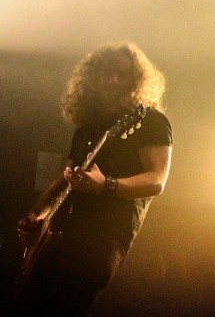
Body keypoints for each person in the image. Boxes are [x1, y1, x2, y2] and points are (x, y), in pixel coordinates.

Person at [14, 42, 172, 315]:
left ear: (136, 80)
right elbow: (65, 180)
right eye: (107, 73)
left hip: (104, 236)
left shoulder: (150, 121)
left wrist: (107, 184)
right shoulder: (88, 127)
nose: (114, 80)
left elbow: (157, 180)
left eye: (123, 74)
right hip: (60, 232)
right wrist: (38, 216)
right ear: (94, 77)